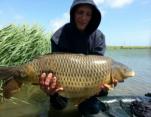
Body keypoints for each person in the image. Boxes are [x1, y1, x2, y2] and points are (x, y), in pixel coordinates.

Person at [39, 0, 117, 116]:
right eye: (80, 12)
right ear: (73, 14)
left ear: (92, 17)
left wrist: (104, 86)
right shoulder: (58, 36)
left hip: (88, 82)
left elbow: (100, 68)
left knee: (93, 105)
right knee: (58, 106)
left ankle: (84, 102)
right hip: (63, 80)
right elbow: (53, 65)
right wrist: (49, 87)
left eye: (88, 14)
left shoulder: (98, 37)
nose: (84, 18)